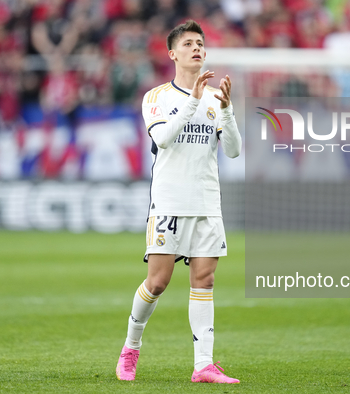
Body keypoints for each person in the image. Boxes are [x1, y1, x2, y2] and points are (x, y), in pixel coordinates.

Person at [116, 20, 242, 384]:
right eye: (188, 43)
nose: (197, 48)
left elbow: (232, 151)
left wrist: (228, 109)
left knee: (205, 279)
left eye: (200, 43)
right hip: (169, 202)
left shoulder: (217, 100)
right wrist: (193, 100)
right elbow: (166, 139)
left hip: (206, 202)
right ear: (173, 53)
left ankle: (203, 365)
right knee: (158, 282)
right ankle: (131, 346)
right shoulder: (156, 97)